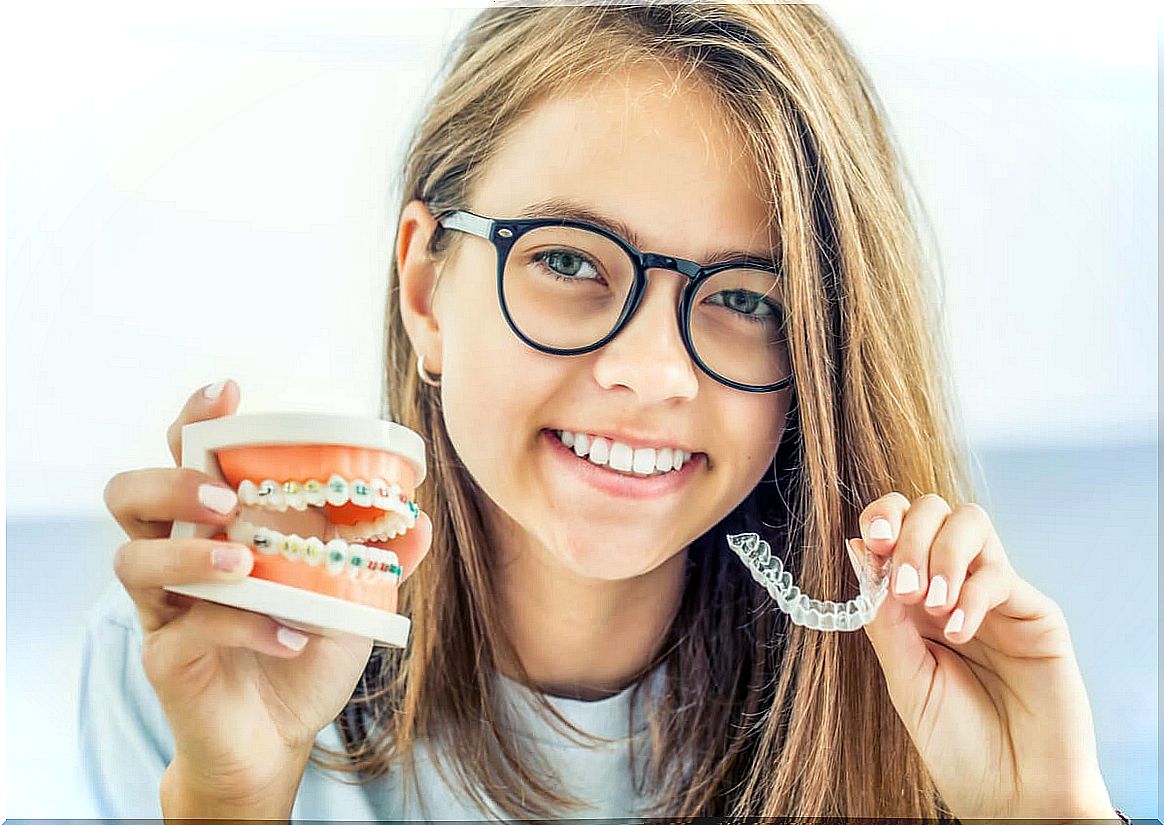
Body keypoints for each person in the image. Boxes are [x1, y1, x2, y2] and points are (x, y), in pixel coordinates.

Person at [80, 4, 1122, 821]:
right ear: (423, 289)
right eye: (568, 260)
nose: (651, 372)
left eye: (746, 299)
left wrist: (1047, 817)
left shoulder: (925, 703)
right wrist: (229, 802)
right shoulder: (186, 666)